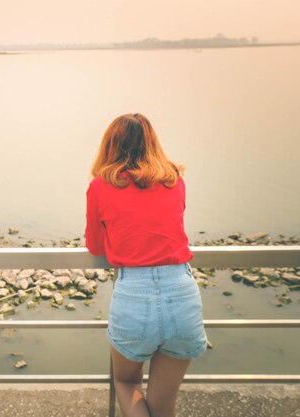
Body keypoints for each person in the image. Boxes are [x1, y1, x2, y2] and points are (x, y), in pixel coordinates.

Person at [85, 113, 207, 417]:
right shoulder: (175, 181)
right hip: (181, 290)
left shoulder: (100, 187)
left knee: (127, 382)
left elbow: (96, 247)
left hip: (134, 295)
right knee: (164, 404)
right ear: (153, 142)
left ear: (109, 145)